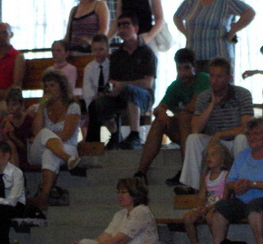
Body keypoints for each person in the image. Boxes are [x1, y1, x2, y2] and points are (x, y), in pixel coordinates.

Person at [210, 116, 263, 244]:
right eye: (248, 134)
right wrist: (237, 185)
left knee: (254, 207)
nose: (251, 137)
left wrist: (252, 184)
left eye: (256, 133)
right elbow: (230, 181)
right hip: (243, 199)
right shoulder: (243, 155)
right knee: (221, 208)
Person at [176, 56, 254, 194]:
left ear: (228, 78)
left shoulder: (243, 94)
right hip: (212, 141)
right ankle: (193, 186)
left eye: (219, 76)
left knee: (242, 138)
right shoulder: (203, 97)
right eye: (212, 76)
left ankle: (239, 184)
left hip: (233, 140)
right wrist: (211, 104)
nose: (214, 80)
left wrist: (221, 134)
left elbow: (247, 127)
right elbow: (195, 128)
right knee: (193, 139)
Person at [133, 47, 210, 185]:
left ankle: (187, 172)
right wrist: (161, 113)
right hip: (185, 131)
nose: (183, 73)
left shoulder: (203, 79)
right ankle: (140, 173)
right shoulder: (175, 86)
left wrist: (174, 113)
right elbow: (158, 108)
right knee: (159, 121)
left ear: (194, 67)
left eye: (186, 68)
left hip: (205, 131)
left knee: (184, 117)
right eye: (179, 68)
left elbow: (194, 106)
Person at [70, 176, 158, 244]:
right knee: (85, 243)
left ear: (135, 194)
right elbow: (101, 239)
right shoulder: (120, 214)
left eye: (123, 192)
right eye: (118, 192)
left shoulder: (142, 211)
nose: (119, 196)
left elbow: (119, 240)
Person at [87, 12, 156, 151]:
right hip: (120, 95)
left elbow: (148, 83)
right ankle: (114, 134)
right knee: (97, 104)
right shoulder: (117, 55)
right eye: (119, 25)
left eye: (126, 25)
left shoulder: (146, 53)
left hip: (144, 97)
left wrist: (124, 85)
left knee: (130, 90)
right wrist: (108, 91)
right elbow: (113, 81)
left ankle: (135, 135)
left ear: (136, 28)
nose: (122, 29)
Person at [27, 69, 81, 219]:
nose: (49, 89)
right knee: (44, 133)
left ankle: (43, 198)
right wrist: (41, 108)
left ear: (61, 87)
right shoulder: (42, 108)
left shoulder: (73, 106)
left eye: (52, 85)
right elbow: (37, 132)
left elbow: (67, 134)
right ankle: (67, 158)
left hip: (68, 146)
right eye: (46, 86)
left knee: (50, 153)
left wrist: (50, 142)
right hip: (40, 151)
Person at [173, 0, 255, 72]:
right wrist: (186, 33)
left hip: (218, 57)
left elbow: (249, 13)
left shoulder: (226, 2)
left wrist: (232, 31)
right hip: (194, 57)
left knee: (217, 83)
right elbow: (177, 17)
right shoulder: (191, 1)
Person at [183, 140, 231, 244]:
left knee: (210, 217)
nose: (209, 158)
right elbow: (202, 195)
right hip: (207, 207)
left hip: (218, 207)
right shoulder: (206, 175)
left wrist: (208, 208)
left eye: (213, 154)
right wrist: (201, 207)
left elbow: (225, 198)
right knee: (187, 218)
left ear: (222, 158)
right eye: (207, 155)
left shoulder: (226, 175)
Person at [0, 86, 34, 167]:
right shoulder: (6, 121)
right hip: (9, 154)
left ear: (21, 104)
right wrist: (3, 129)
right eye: (8, 105)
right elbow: (5, 140)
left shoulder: (29, 121)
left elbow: (27, 148)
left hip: (25, 156)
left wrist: (13, 136)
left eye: (14, 105)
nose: (10, 108)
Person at [82, 33, 111, 114]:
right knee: (94, 107)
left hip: (108, 97)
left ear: (107, 49)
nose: (98, 52)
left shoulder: (111, 66)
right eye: (95, 49)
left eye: (101, 49)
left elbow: (112, 84)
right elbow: (87, 87)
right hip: (93, 98)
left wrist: (105, 94)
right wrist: (93, 96)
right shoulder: (89, 68)